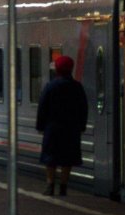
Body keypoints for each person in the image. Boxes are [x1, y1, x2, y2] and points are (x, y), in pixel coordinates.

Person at [36, 55, 89, 196]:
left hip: (52, 127)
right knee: (68, 157)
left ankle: (50, 185)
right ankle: (64, 186)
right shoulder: (77, 87)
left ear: (57, 70)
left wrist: (40, 126)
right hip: (71, 128)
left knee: (50, 158)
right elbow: (83, 108)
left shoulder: (50, 86)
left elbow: (42, 107)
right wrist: (82, 125)